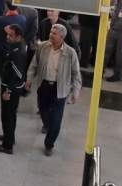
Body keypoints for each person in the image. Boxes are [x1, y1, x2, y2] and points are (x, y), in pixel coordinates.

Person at [26, 24, 82, 156]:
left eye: (54, 33)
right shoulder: (43, 47)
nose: (50, 35)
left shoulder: (70, 53)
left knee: (56, 120)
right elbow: (34, 65)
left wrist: (76, 92)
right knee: (44, 112)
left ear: (62, 37)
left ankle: (49, 144)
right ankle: (48, 125)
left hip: (60, 90)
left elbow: (76, 74)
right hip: (44, 86)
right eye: (51, 32)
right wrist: (29, 79)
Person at [0, 24, 28, 154]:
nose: (7, 37)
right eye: (7, 34)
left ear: (18, 36)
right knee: (10, 115)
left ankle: (7, 146)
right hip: (10, 85)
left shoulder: (17, 52)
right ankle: (9, 137)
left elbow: (17, 74)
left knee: (7, 115)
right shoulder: (16, 46)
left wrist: (8, 91)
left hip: (11, 88)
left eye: (11, 35)